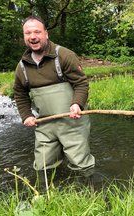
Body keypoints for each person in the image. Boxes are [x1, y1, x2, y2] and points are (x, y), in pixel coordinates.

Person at [13, 15, 95, 178]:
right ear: (24, 37)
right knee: (43, 166)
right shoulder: (22, 66)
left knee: (81, 165)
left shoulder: (64, 55)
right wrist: (26, 115)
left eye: (37, 31)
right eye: (28, 33)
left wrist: (77, 104)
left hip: (72, 121)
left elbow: (81, 83)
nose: (33, 36)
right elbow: (20, 93)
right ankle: (49, 197)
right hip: (44, 125)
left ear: (46, 34)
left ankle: (88, 194)